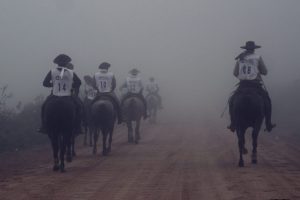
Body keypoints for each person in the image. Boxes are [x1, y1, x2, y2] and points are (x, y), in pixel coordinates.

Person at [228, 41, 276, 132]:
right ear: (254, 49)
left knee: (232, 100)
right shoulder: (257, 57)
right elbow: (265, 72)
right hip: (255, 85)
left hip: (243, 85)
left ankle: (233, 123)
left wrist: (243, 76)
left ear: (246, 49)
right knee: (267, 100)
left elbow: (235, 73)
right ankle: (268, 124)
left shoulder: (240, 58)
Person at [38, 54, 82, 133]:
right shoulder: (71, 72)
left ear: (57, 63)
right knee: (79, 106)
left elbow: (45, 83)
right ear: (67, 63)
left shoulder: (52, 71)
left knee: (44, 106)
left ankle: (43, 126)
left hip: (54, 95)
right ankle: (78, 127)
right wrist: (70, 85)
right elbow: (78, 82)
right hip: (68, 95)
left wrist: (53, 84)